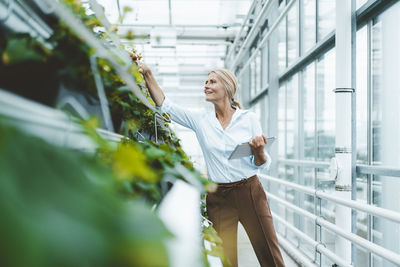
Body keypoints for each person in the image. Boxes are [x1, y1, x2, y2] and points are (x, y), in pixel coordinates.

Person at [138, 62, 285, 267]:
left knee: (269, 253)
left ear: (226, 88)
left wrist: (259, 150)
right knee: (225, 259)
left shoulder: (248, 119)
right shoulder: (201, 120)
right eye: (206, 82)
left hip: (249, 191)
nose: (206, 85)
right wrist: (148, 74)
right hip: (218, 196)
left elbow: (260, 164)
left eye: (212, 81)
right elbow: (166, 105)